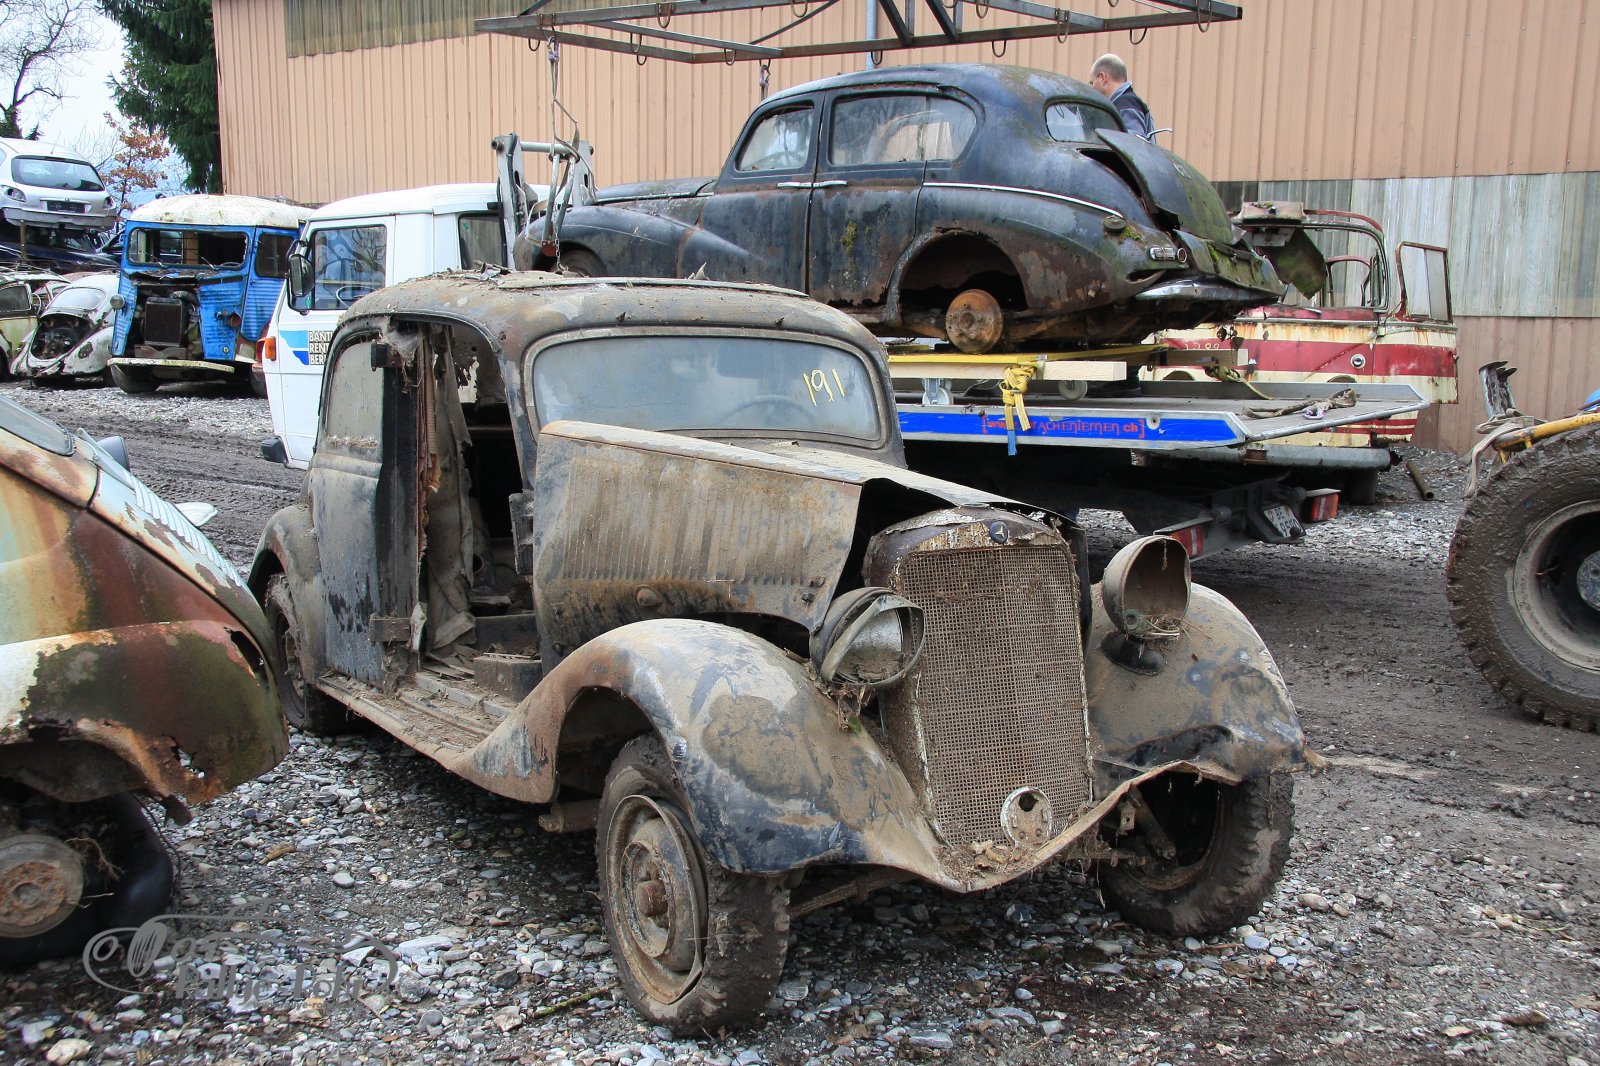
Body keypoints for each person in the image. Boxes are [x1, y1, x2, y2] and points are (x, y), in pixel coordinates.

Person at [1089, 53, 1155, 141]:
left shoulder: (1126, 103)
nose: (1092, 88)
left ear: (1102, 78)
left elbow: (1133, 143)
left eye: (1092, 83)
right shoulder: (1126, 102)